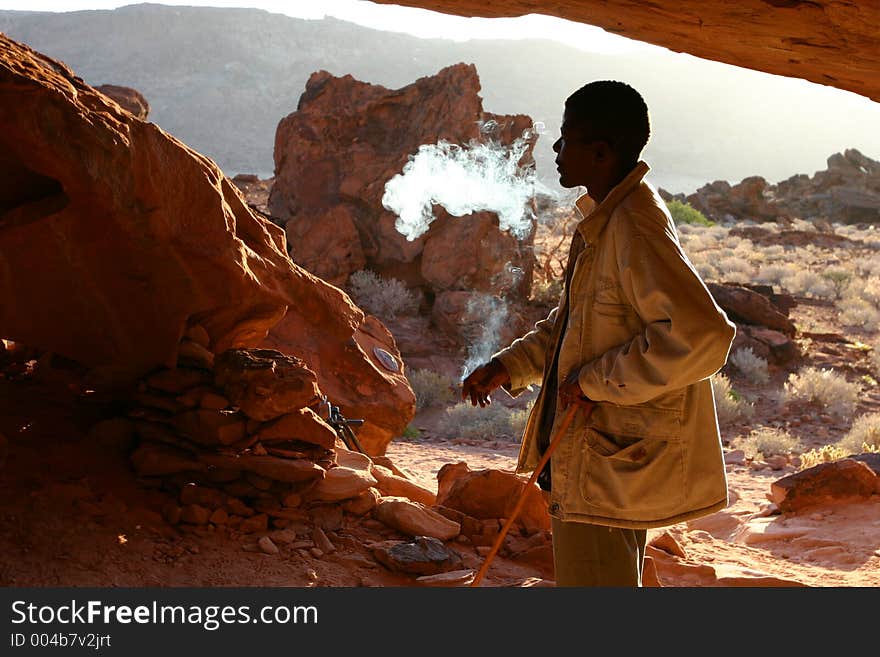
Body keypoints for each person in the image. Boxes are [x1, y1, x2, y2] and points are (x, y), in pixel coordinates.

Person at [461, 80, 736, 587]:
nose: (557, 150)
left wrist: (595, 383)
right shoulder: (607, 219)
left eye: (566, 138)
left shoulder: (634, 225)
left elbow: (703, 336)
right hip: (597, 458)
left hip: (606, 463)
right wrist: (509, 366)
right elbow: (574, 326)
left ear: (602, 151)